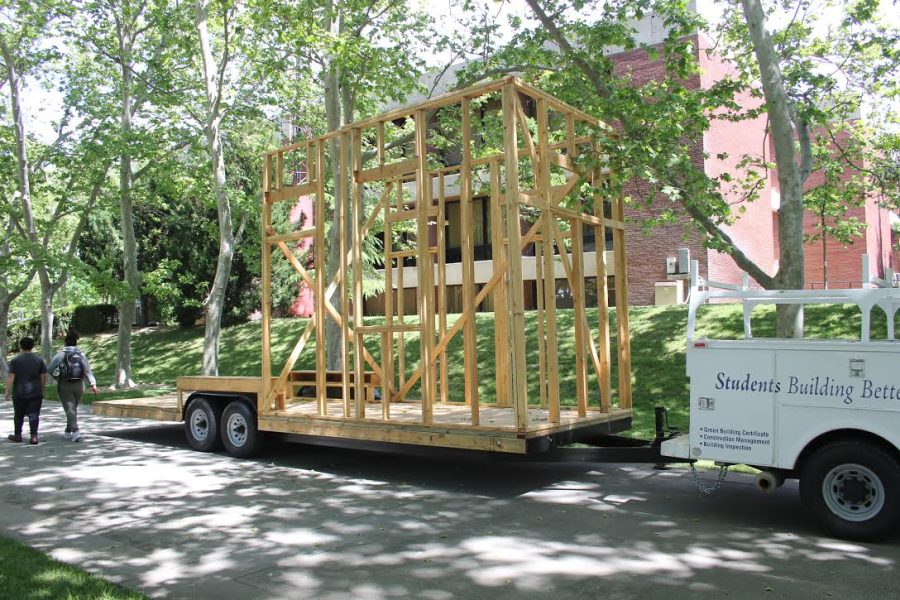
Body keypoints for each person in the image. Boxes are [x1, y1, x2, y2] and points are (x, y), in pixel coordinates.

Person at [49, 330, 98, 442]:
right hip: (80, 385)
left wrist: (58, 377)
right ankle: (67, 431)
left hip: (65, 385)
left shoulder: (60, 355)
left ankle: (75, 432)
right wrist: (93, 383)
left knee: (70, 410)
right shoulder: (81, 355)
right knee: (72, 409)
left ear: (65, 343)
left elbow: (50, 369)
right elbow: (87, 371)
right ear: (76, 343)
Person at [5, 337, 47, 445]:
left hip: (19, 392)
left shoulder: (15, 360)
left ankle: (18, 435)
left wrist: (7, 392)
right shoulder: (39, 360)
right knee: (34, 415)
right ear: (32, 346)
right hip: (35, 392)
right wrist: (43, 390)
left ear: (21, 346)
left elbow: (11, 377)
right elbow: (43, 377)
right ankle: (34, 436)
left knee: (18, 415)